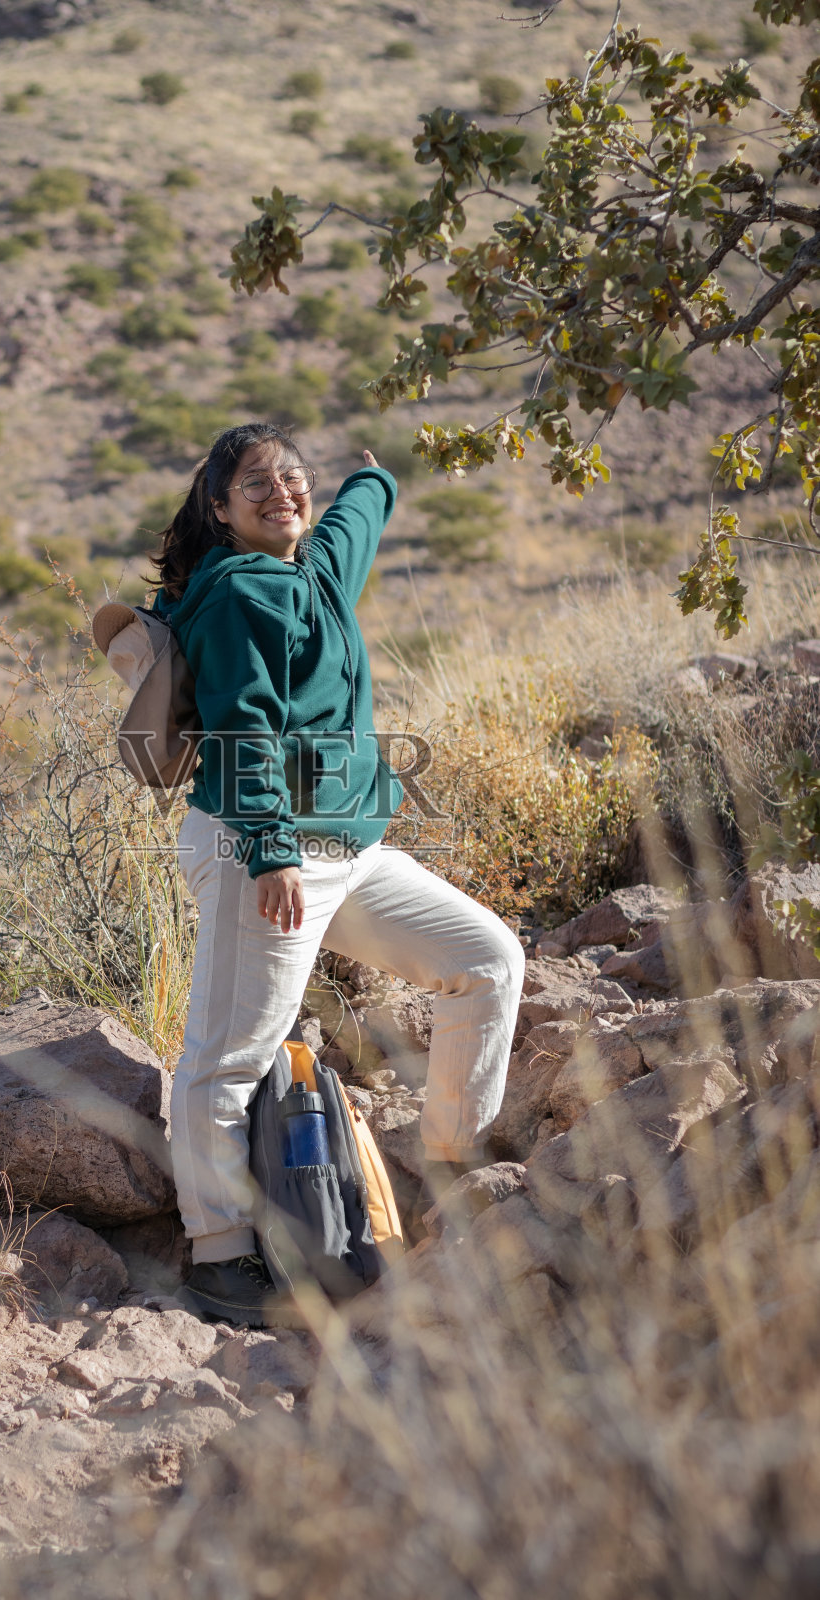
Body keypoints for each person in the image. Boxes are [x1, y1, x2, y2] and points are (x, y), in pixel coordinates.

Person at [149, 421, 525, 1326]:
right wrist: (272, 848)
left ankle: (447, 1167)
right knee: (230, 1052)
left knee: (486, 961)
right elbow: (243, 726)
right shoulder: (239, 594)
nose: (280, 491)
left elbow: (354, 520)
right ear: (219, 507)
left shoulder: (313, 572)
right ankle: (218, 1252)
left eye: (291, 478)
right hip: (262, 849)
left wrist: (375, 478)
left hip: (346, 851)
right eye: (254, 483)